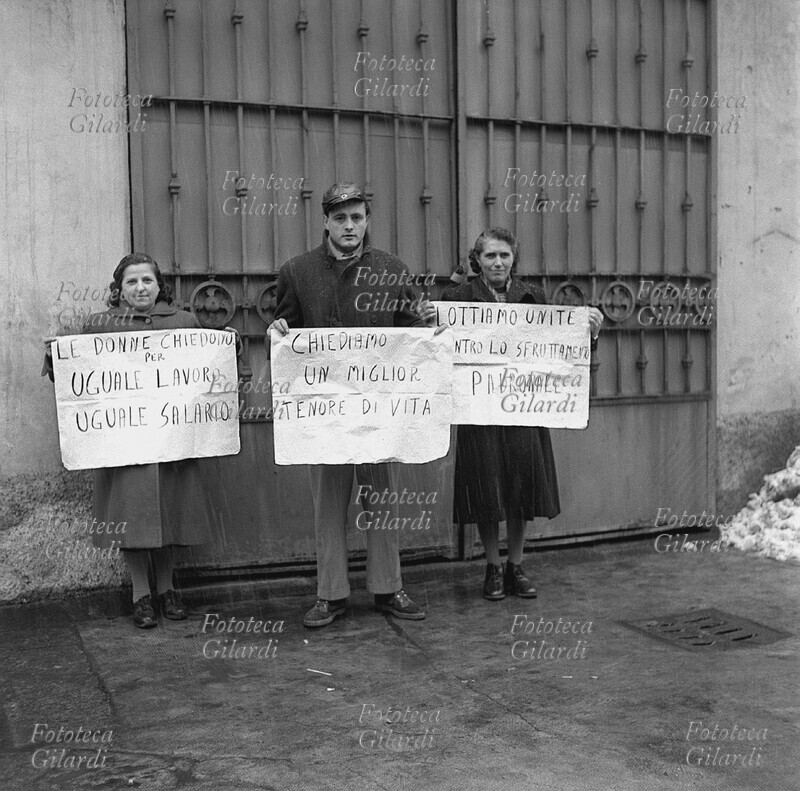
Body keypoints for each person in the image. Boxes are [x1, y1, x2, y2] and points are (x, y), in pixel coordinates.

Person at [269, 182, 431, 627]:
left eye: (357, 217)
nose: (349, 226)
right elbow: (287, 331)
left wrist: (428, 328)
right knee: (328, 506)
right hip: (325, 414)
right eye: (340, 218)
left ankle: (388, 587)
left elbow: (411, 334)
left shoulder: (392, 269)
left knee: (383, 503)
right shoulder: (297, 271)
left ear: (367, 220)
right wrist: (278, 331)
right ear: (325, 221)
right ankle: (331, 594)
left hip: (379, 412)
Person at [44, 253, 224, 629]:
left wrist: (227, 348)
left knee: (171, 514)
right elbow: (77, 379)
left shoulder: (184, 323)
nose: (140, 288)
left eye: (147, 281)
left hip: (172, 441)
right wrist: (56, 356)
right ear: (119, 289)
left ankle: (168, 589)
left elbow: (209, 371)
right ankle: (140, 594)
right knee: (131, 519)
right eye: (131, 281)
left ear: (159, 286)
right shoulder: (100, 325)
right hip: (123, 445)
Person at [433, 228, 603, 600]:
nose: (497, 263)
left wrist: (587, 334)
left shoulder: (533, 297)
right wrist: (434, 324)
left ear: (514, 259)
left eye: (504, 256)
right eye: (490, 256)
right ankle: (493, 567)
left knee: (520, 487)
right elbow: (439, 349)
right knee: (485, 488)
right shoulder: (457, 298)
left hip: (523, 407)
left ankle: (516, 565)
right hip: (480, 410)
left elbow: (557, 348)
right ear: (477, 260)